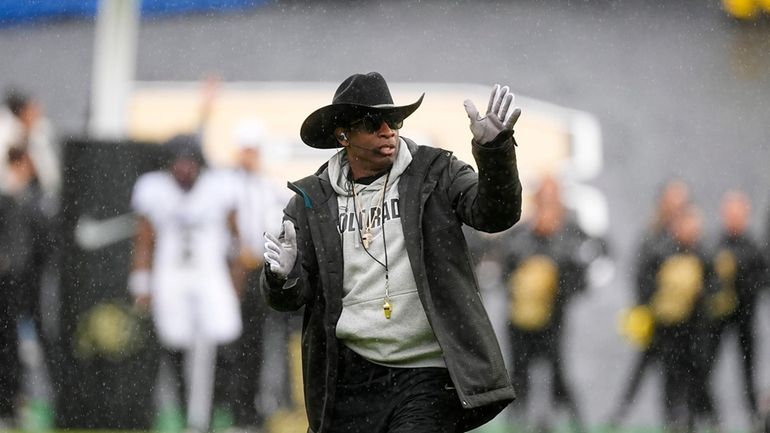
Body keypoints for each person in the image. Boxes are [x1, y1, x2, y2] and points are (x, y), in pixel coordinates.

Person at [260, 72, 522, 433]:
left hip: (427, 373)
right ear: (343, 135)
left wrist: (494, 151)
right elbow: (291, 298)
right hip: (349, 378)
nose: (388, 131)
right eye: (373, 123)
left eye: (394, 120)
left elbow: (495, 215)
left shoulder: (436, 171)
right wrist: (280, 277)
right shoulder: (310, 202)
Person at [128, 134, 244, 433]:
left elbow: (235, 238)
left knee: (224, 339)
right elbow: (143, 240)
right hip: (171, 275)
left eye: (188, 164)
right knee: (175, 345)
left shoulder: (219, 188)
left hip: (209, 273)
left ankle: (215, 415)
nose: (183, 171)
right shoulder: (154, 189)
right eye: (177, 164)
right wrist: (142, 283)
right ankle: (186, 417)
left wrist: (236, 278)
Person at [497, 175, 588, 433]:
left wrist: (565, 280)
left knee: (557, 373)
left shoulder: (571, 233)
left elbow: (587, 260)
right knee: (519, 375)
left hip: (553, 319)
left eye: (553, 196)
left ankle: (567, 423)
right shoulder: (521, 234)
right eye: (544, 197)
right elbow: (505, 268)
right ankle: (518, 424)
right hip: (520, 319)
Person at [609, 179, 691, 425]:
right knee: (644, 367)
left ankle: (679, 418)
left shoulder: (689, 236)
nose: (676, 207)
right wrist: (648, 304)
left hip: (684, 322)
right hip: (657, 318)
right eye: (672, 201)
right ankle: (620, 415)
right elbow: (641, 272)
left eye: (681, 202)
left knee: (679, 373)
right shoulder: (653, 236)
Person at [226, 119, 290, 431]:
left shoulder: (268, 188)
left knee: (259, 345)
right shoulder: (226, 186)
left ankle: (258, 410)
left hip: (260, 274)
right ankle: (237, 411)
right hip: (232, 274)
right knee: (235, 347)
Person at [644, 204, 718, 432]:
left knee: (698, 376)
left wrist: (702, 294)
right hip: (668, 328)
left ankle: (703, 418)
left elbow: (716, 285)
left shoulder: (704, 255)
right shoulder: (662, 252)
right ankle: (672, 419)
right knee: (670, 375)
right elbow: (646, 281)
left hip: (696, 328)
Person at [706, 190, 768, 421]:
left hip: (745, 318)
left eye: (738, 212)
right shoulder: (714, 246)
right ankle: (711, 419)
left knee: (748, 375)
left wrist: (740, 280)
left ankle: (756, 420)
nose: (734, 217)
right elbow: (706, 280)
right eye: (730, 212)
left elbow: (762, 280)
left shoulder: (754, 248)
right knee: (704, 370)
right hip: (716, 322)